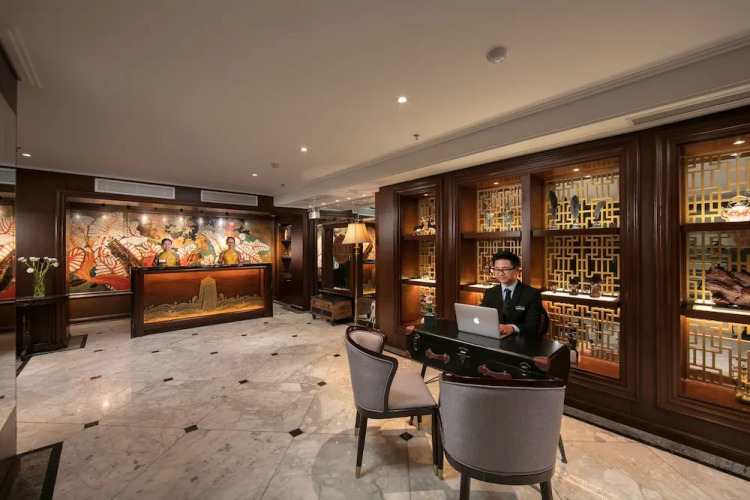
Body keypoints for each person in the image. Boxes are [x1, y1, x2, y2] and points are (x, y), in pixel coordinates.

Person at [480, 250, 543, 338]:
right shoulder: (490, 292)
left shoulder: (531, 294)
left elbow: (533, 326)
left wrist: (512, 328)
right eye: (497, 269)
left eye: (505, 269)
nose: (501, 274)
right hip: (494, 338)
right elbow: (482, 317)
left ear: (516, 270)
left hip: (520, 340)